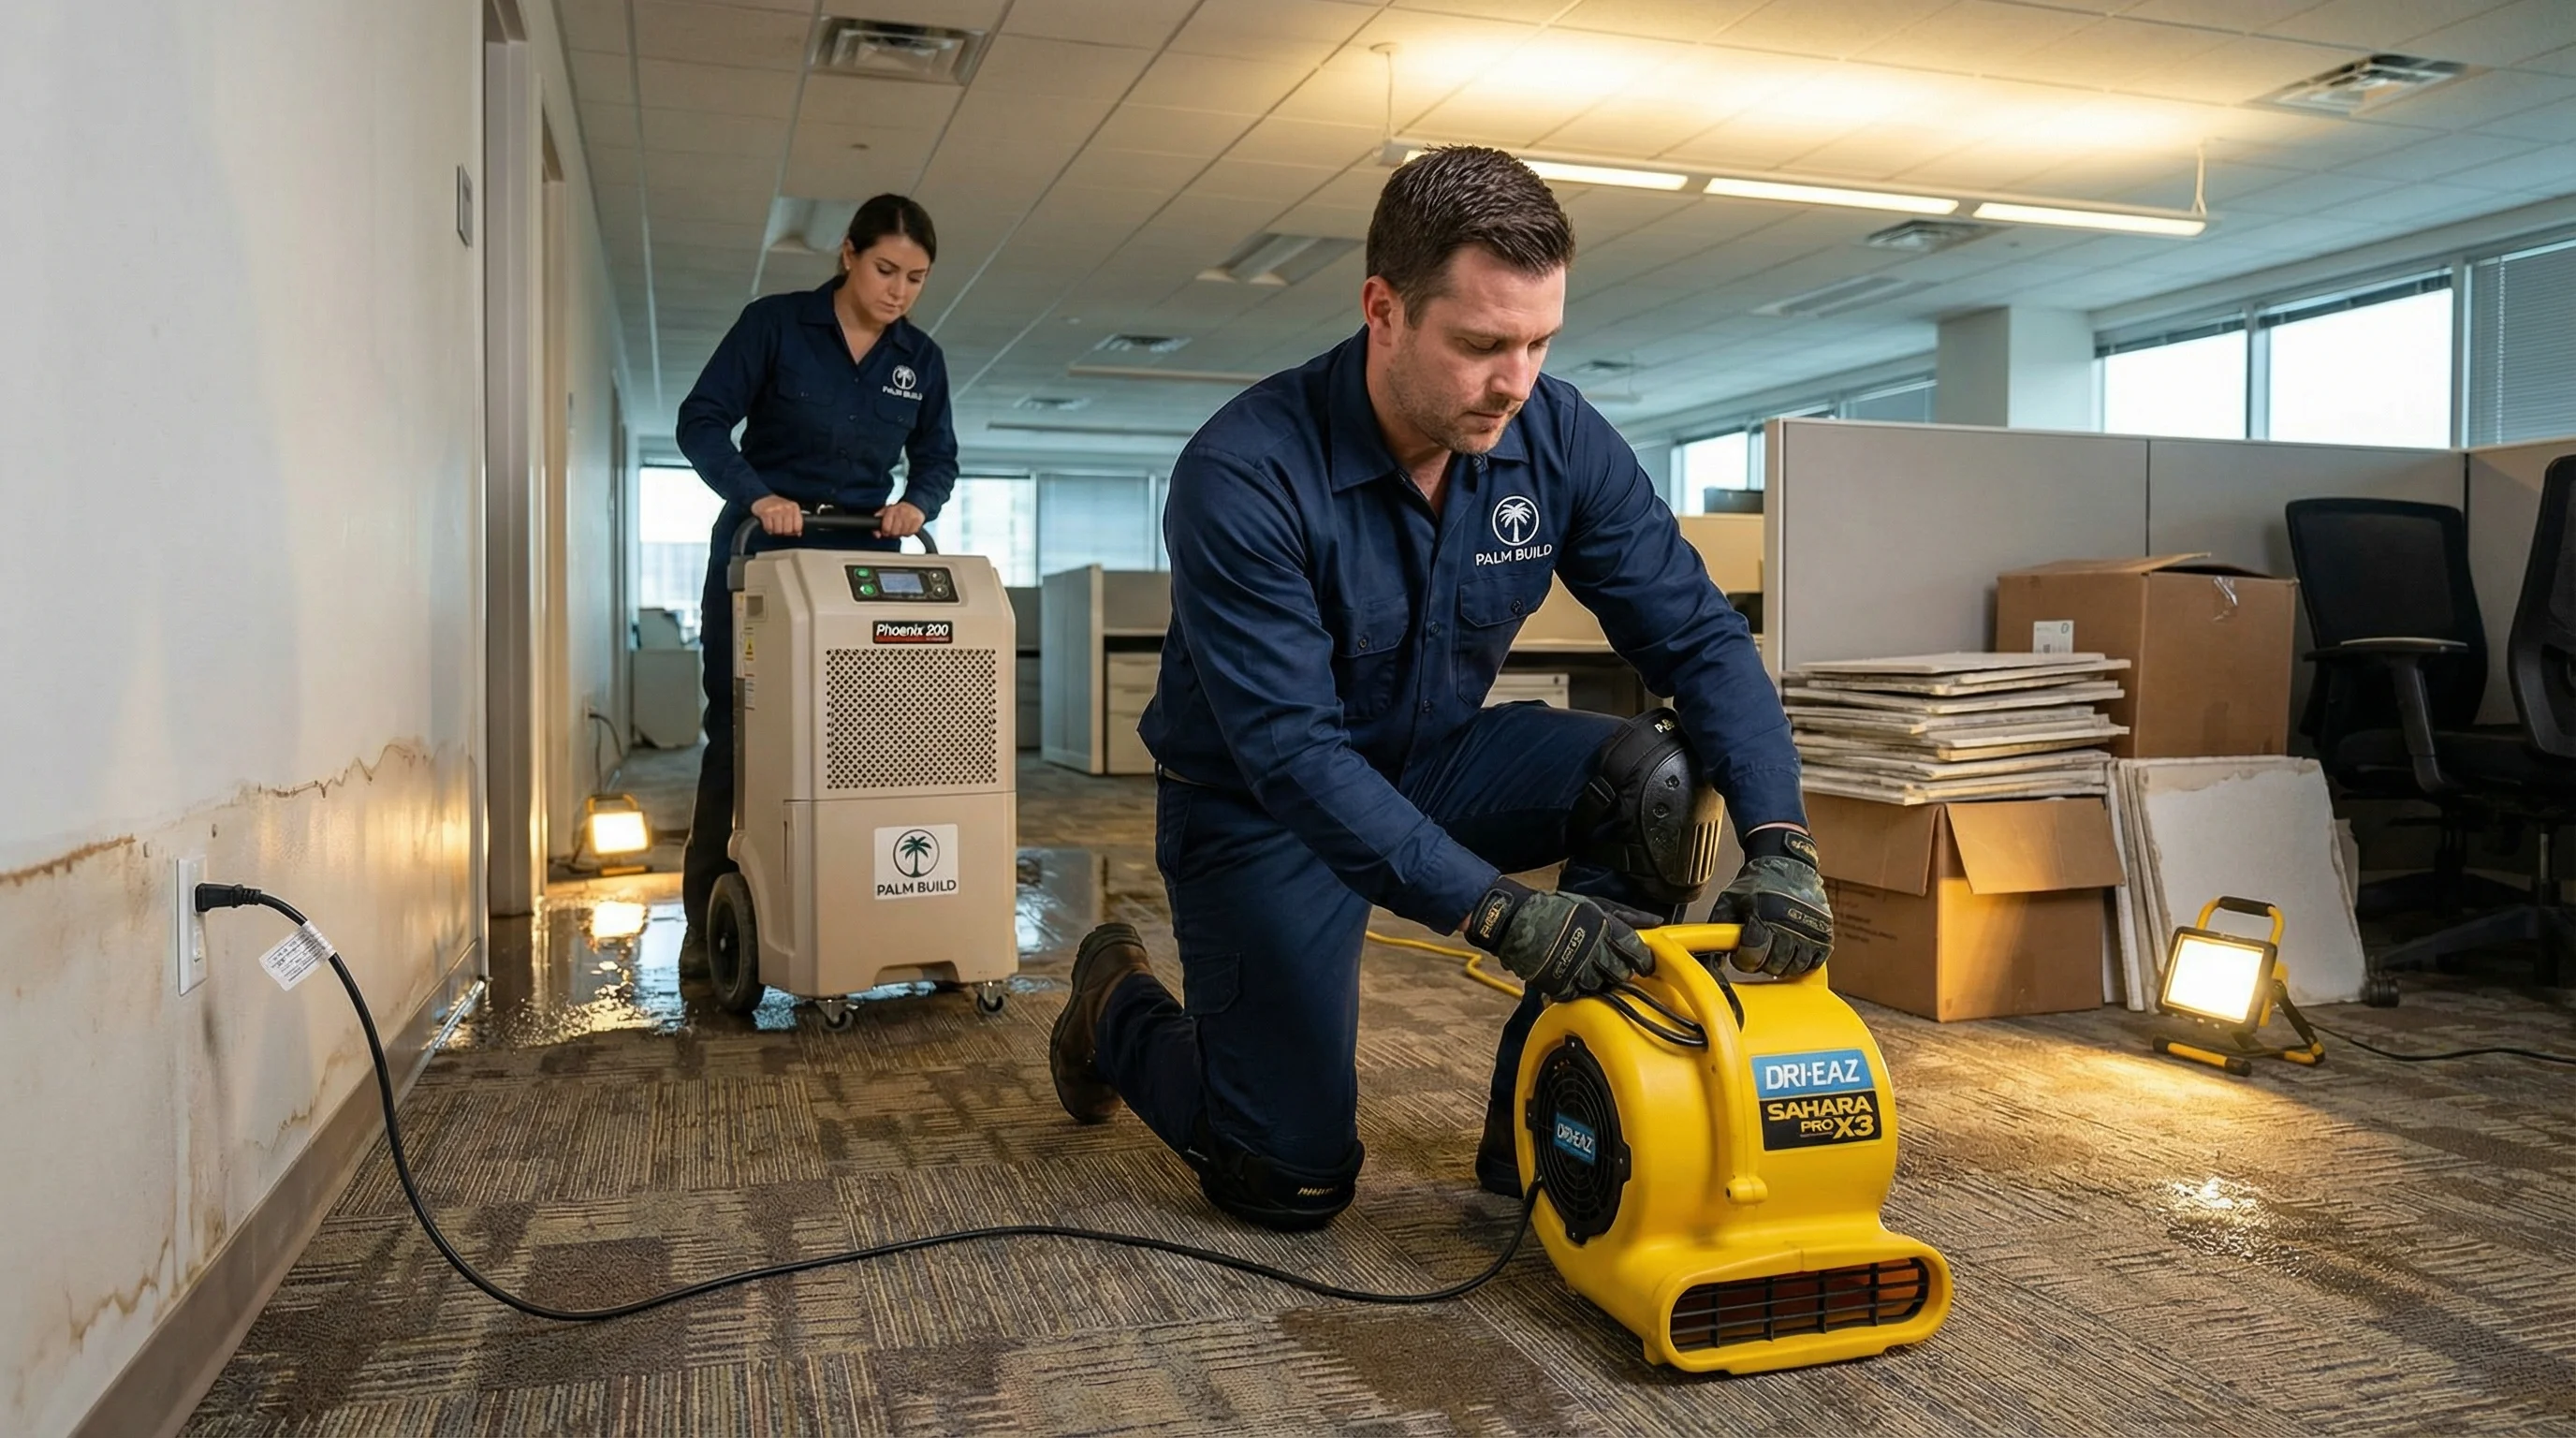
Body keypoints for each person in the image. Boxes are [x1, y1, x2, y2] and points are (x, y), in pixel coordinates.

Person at [1046, 146, 1834, 1232]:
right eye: (1480, 345)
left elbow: (1698, 638)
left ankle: (1541, 1124)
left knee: (1649, 774)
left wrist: (1783, 838)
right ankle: (1110, 1007)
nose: (1516, 380)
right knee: (1288, 1179)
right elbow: (1293, 755)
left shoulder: (1553, 434)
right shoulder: (1246, 472)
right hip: (1263, 806)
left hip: (1433, 762)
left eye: (1539, 341)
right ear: (1383, 309)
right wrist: (1496, 910)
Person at [674, 194, 957, 961]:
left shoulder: (919, 362)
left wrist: (915, 503)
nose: (898, 290)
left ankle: (847, 903)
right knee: (741, 733)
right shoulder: (774, 325)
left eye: (916, 278)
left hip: (861, 565)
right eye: (886, 269)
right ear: (848, 255)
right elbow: (699, 419)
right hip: (764, 554)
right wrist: (757, 495)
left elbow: (938, 459)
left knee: (862, 737)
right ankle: (710, 925)